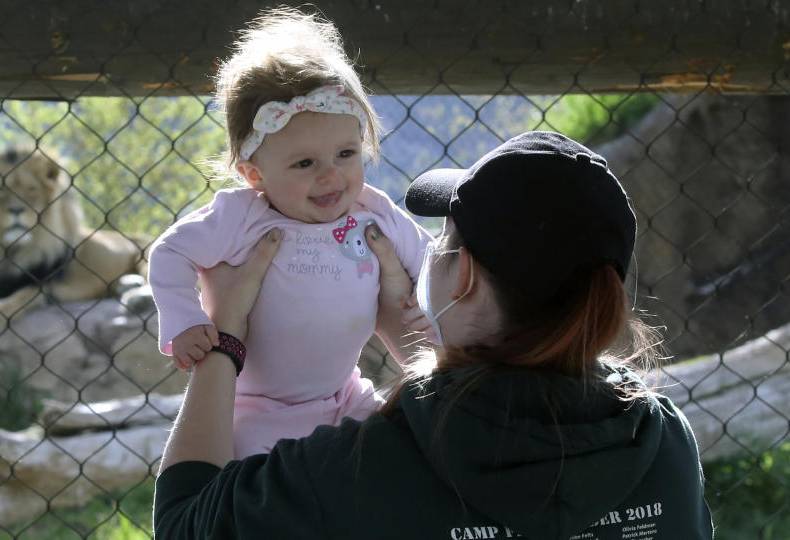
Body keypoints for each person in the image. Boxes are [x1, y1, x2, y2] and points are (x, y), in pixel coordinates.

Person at [152, 131, 715, 539]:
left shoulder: (353, 467)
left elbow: (184, 524)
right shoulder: (661, 440)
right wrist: (422, 340)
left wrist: (225, 337)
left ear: (464, 274)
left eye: (441, 243)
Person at [147, 7, 432, 458]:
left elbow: (428, 259)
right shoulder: (240, 217)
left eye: (345, 153)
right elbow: (170, 253)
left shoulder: (372, 211)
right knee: (263, 495)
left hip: (345, 394)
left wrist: (427, 310)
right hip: (256, 408)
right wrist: (185, 319)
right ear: (253, 174)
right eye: (304, 163)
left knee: (401, 453)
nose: (330, 176)